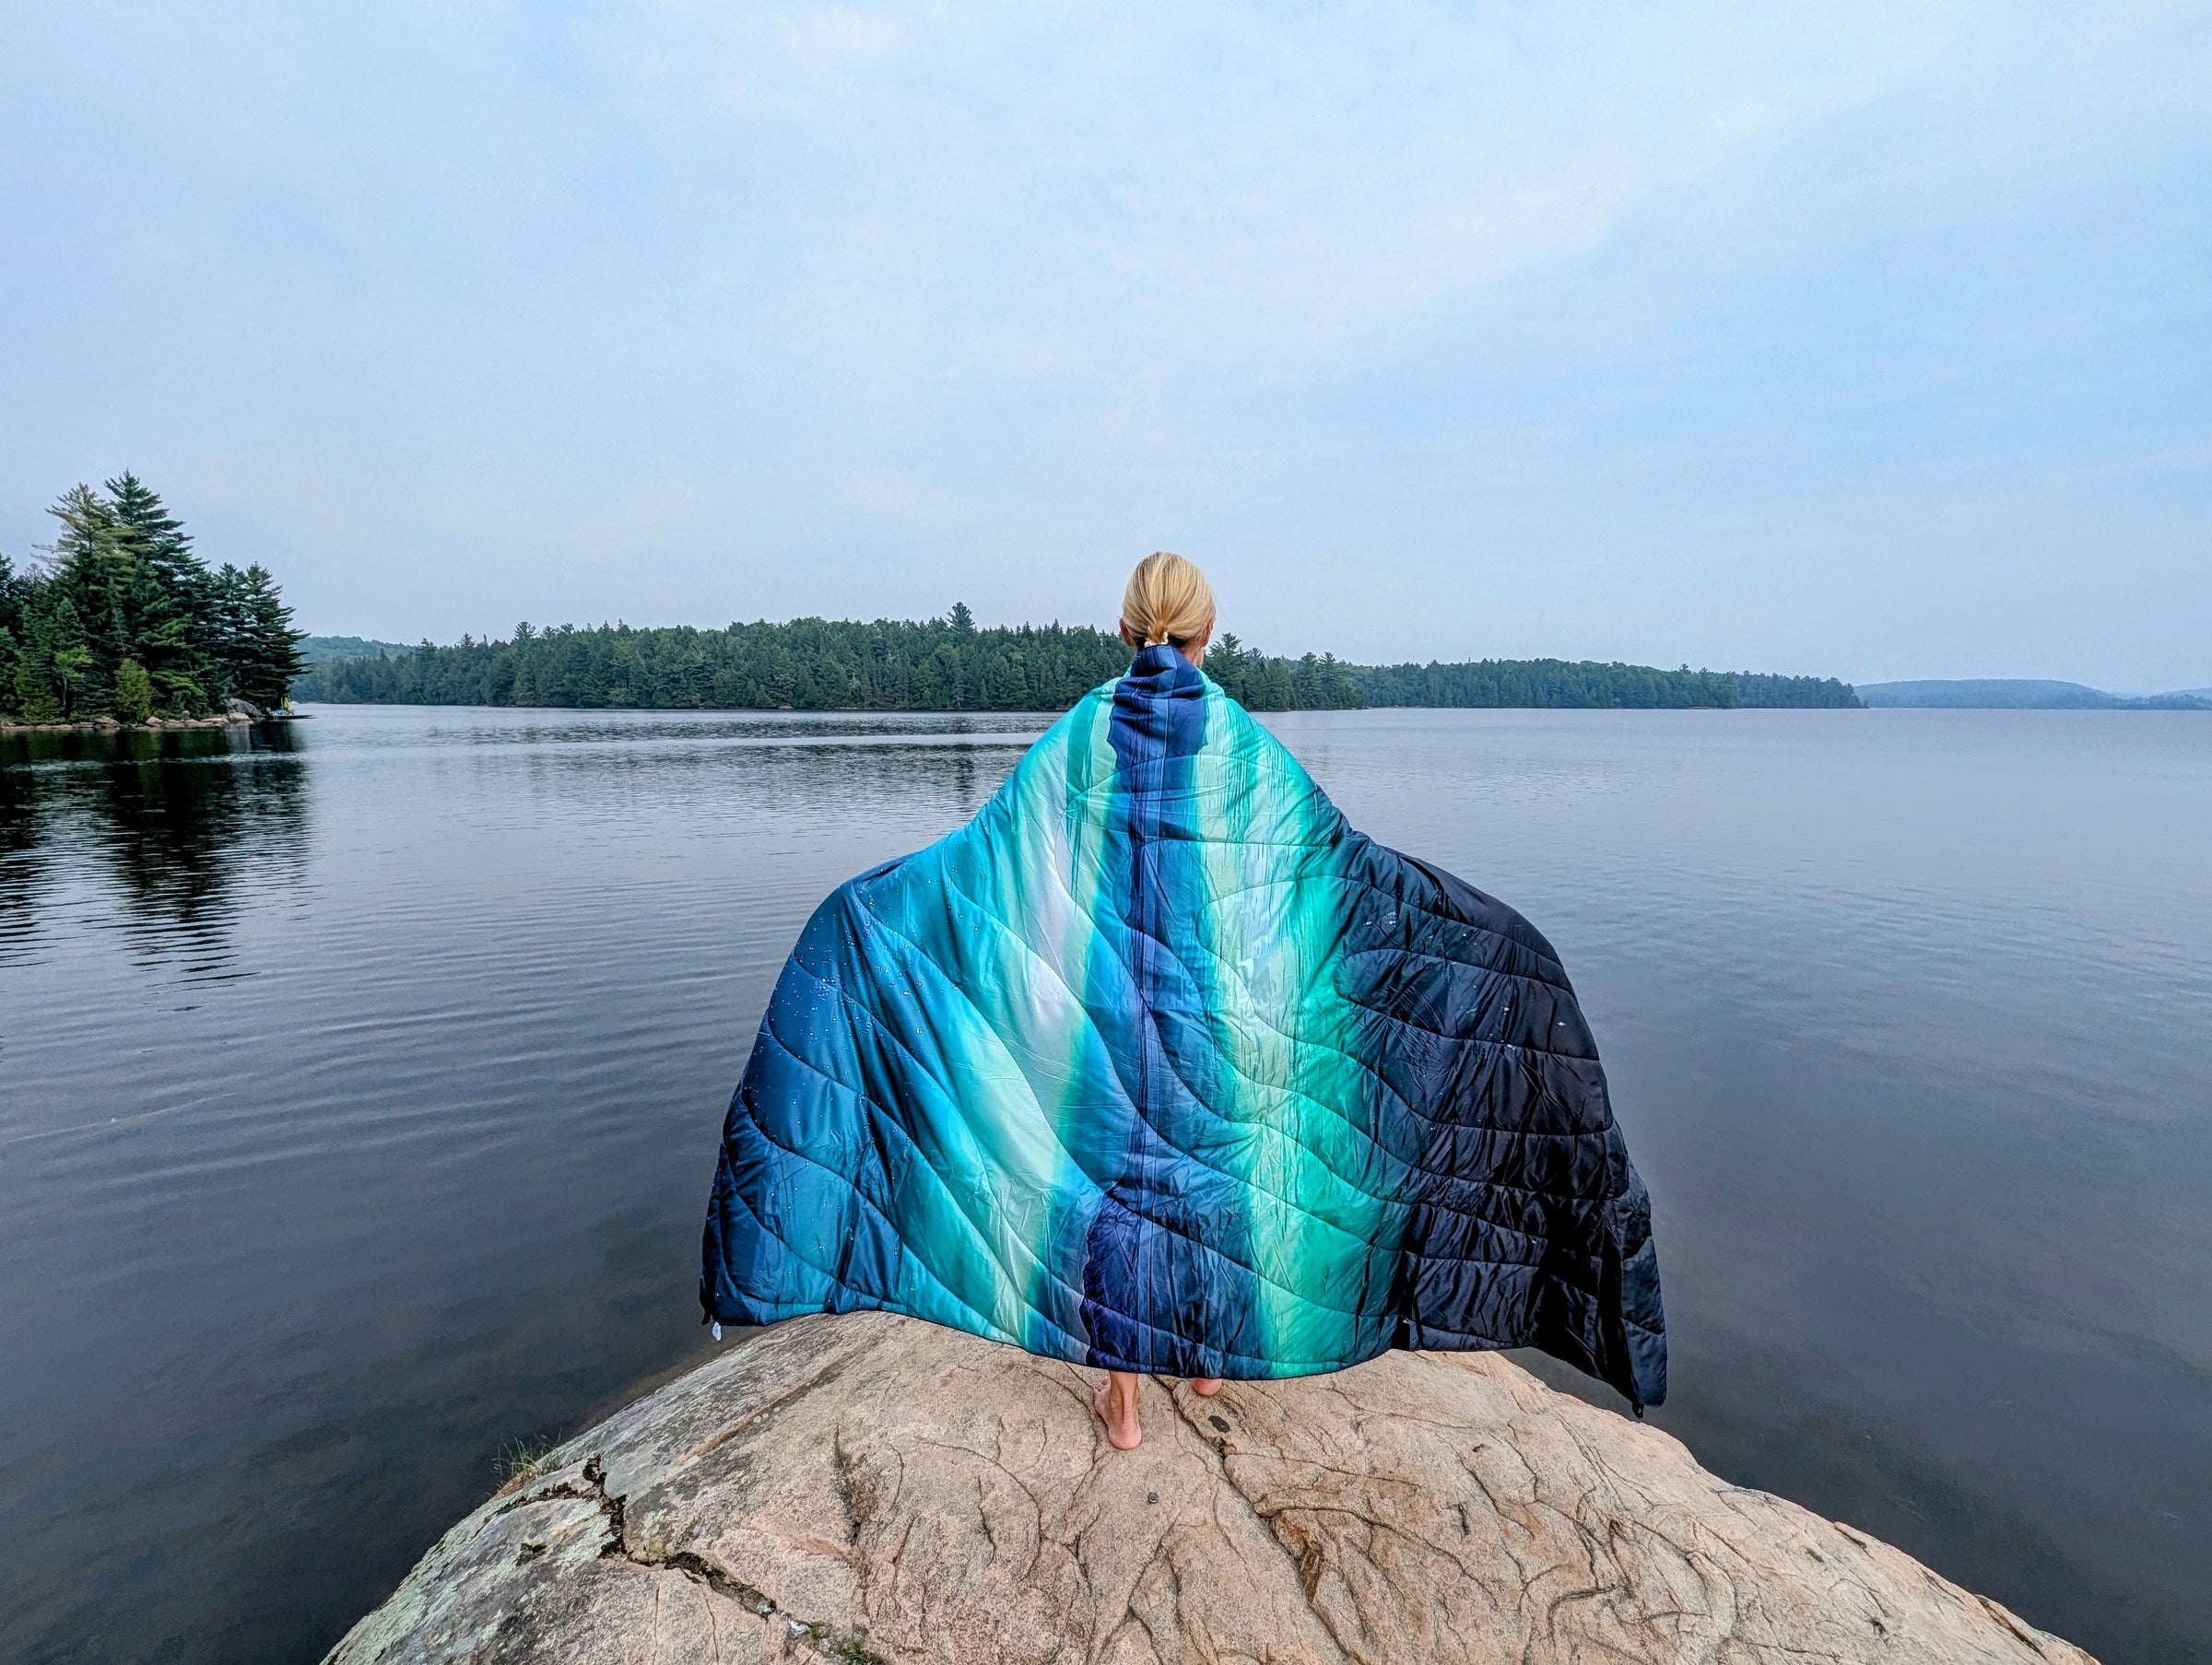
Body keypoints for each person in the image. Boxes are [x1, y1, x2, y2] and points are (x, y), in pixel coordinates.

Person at [700, 552, 1666, 1457]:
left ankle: (1122, 1400)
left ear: (1127, 628)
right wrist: (1490, 938)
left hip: (1101, 1016)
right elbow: (1340, 872)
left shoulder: (1080, 731)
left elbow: (985, 866)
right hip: (1218, 1018)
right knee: (1210, 1178)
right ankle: (1204, 1365)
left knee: (1114, 1195)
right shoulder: (1242, 742)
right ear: (1208, 634)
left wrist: (863, 915)